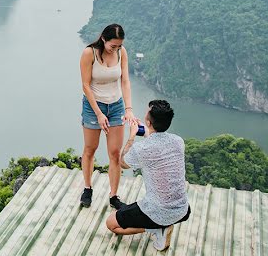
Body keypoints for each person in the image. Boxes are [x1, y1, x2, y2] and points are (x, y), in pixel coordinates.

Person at [105, 99, 191, 252]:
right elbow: (156, 140)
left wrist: (131, 136)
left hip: (157, 210)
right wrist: (143, 129)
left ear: (149, 122)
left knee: (111, 223)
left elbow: (123, 163)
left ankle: (156, 228)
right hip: (182, 210)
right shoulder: (178, 141)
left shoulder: (141, 149)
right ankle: (160, 225)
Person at [79, 23, 136, 210]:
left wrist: (128, 108)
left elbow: (125, 81)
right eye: (113, 46)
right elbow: (86, 85)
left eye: (119, 46)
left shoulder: (122, 53)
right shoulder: (89, 53)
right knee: (90, 149)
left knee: (114, 153)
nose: (116, 49)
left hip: (116, 106)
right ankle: (87, 188)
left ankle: (114, 196)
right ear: (103, 39)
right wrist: (99, 113)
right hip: (93, 106)